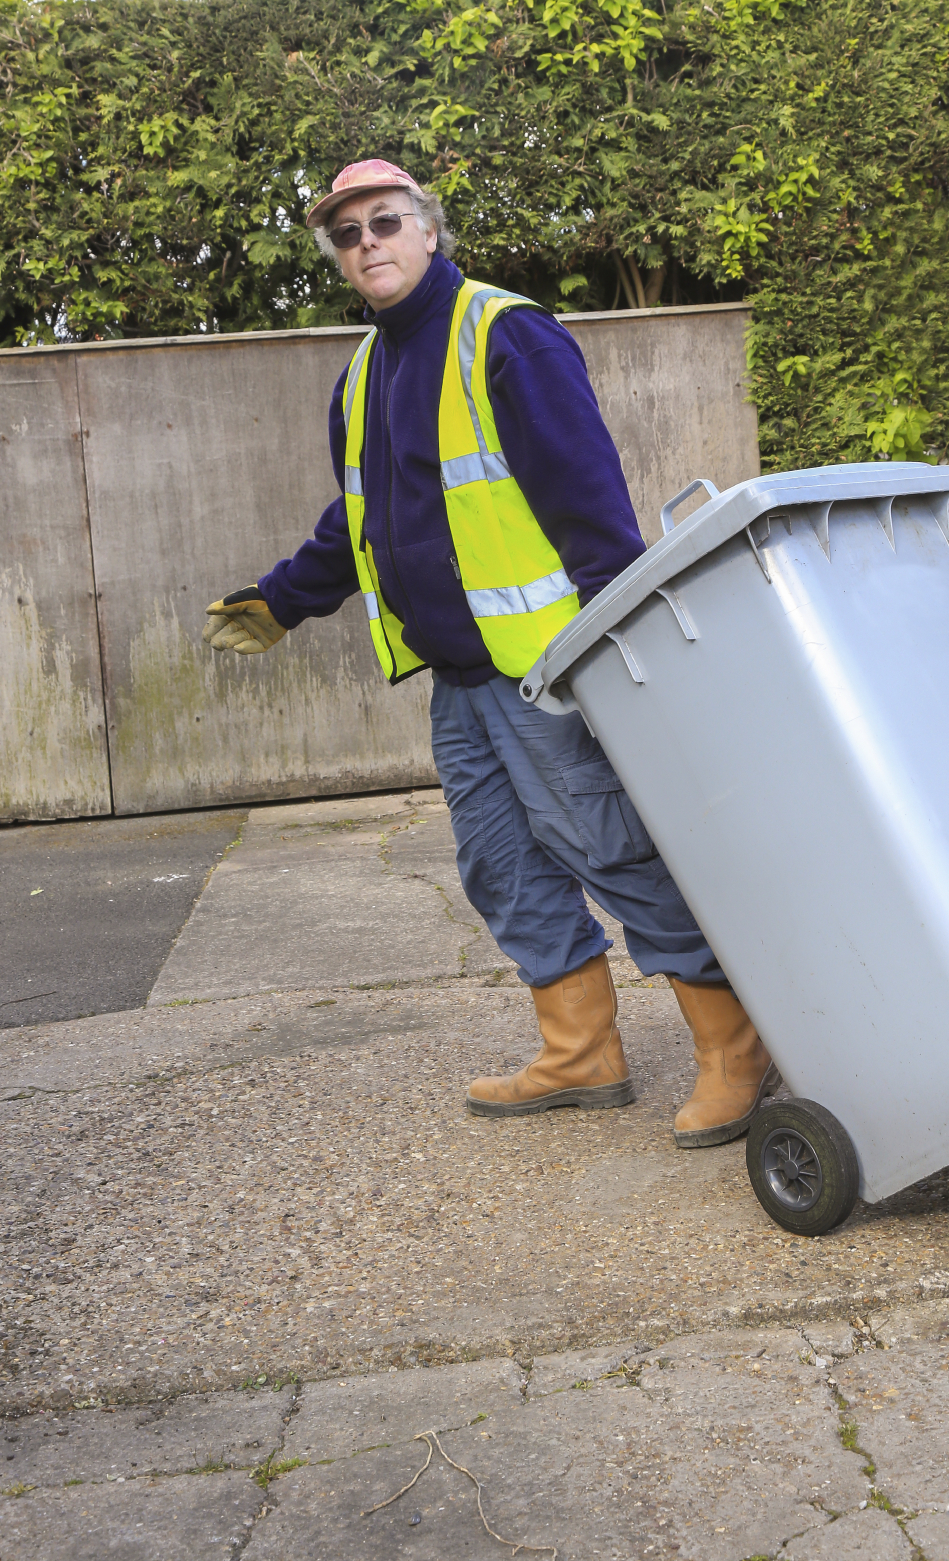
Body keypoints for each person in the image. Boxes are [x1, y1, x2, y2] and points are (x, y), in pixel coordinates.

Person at [202, 158, 777, 1148]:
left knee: (615, 849)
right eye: (347, 234)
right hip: (459, 683)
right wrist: (285, 598)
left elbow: (590, 499)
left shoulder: (503, 335)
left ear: (429, 229)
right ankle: (581, 1053)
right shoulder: (362, 377)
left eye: (385, 222)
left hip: (547, 671)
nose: (367, 242)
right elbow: (362, 521)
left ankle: (734, 1046)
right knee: (500, 864)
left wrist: (617, 645)